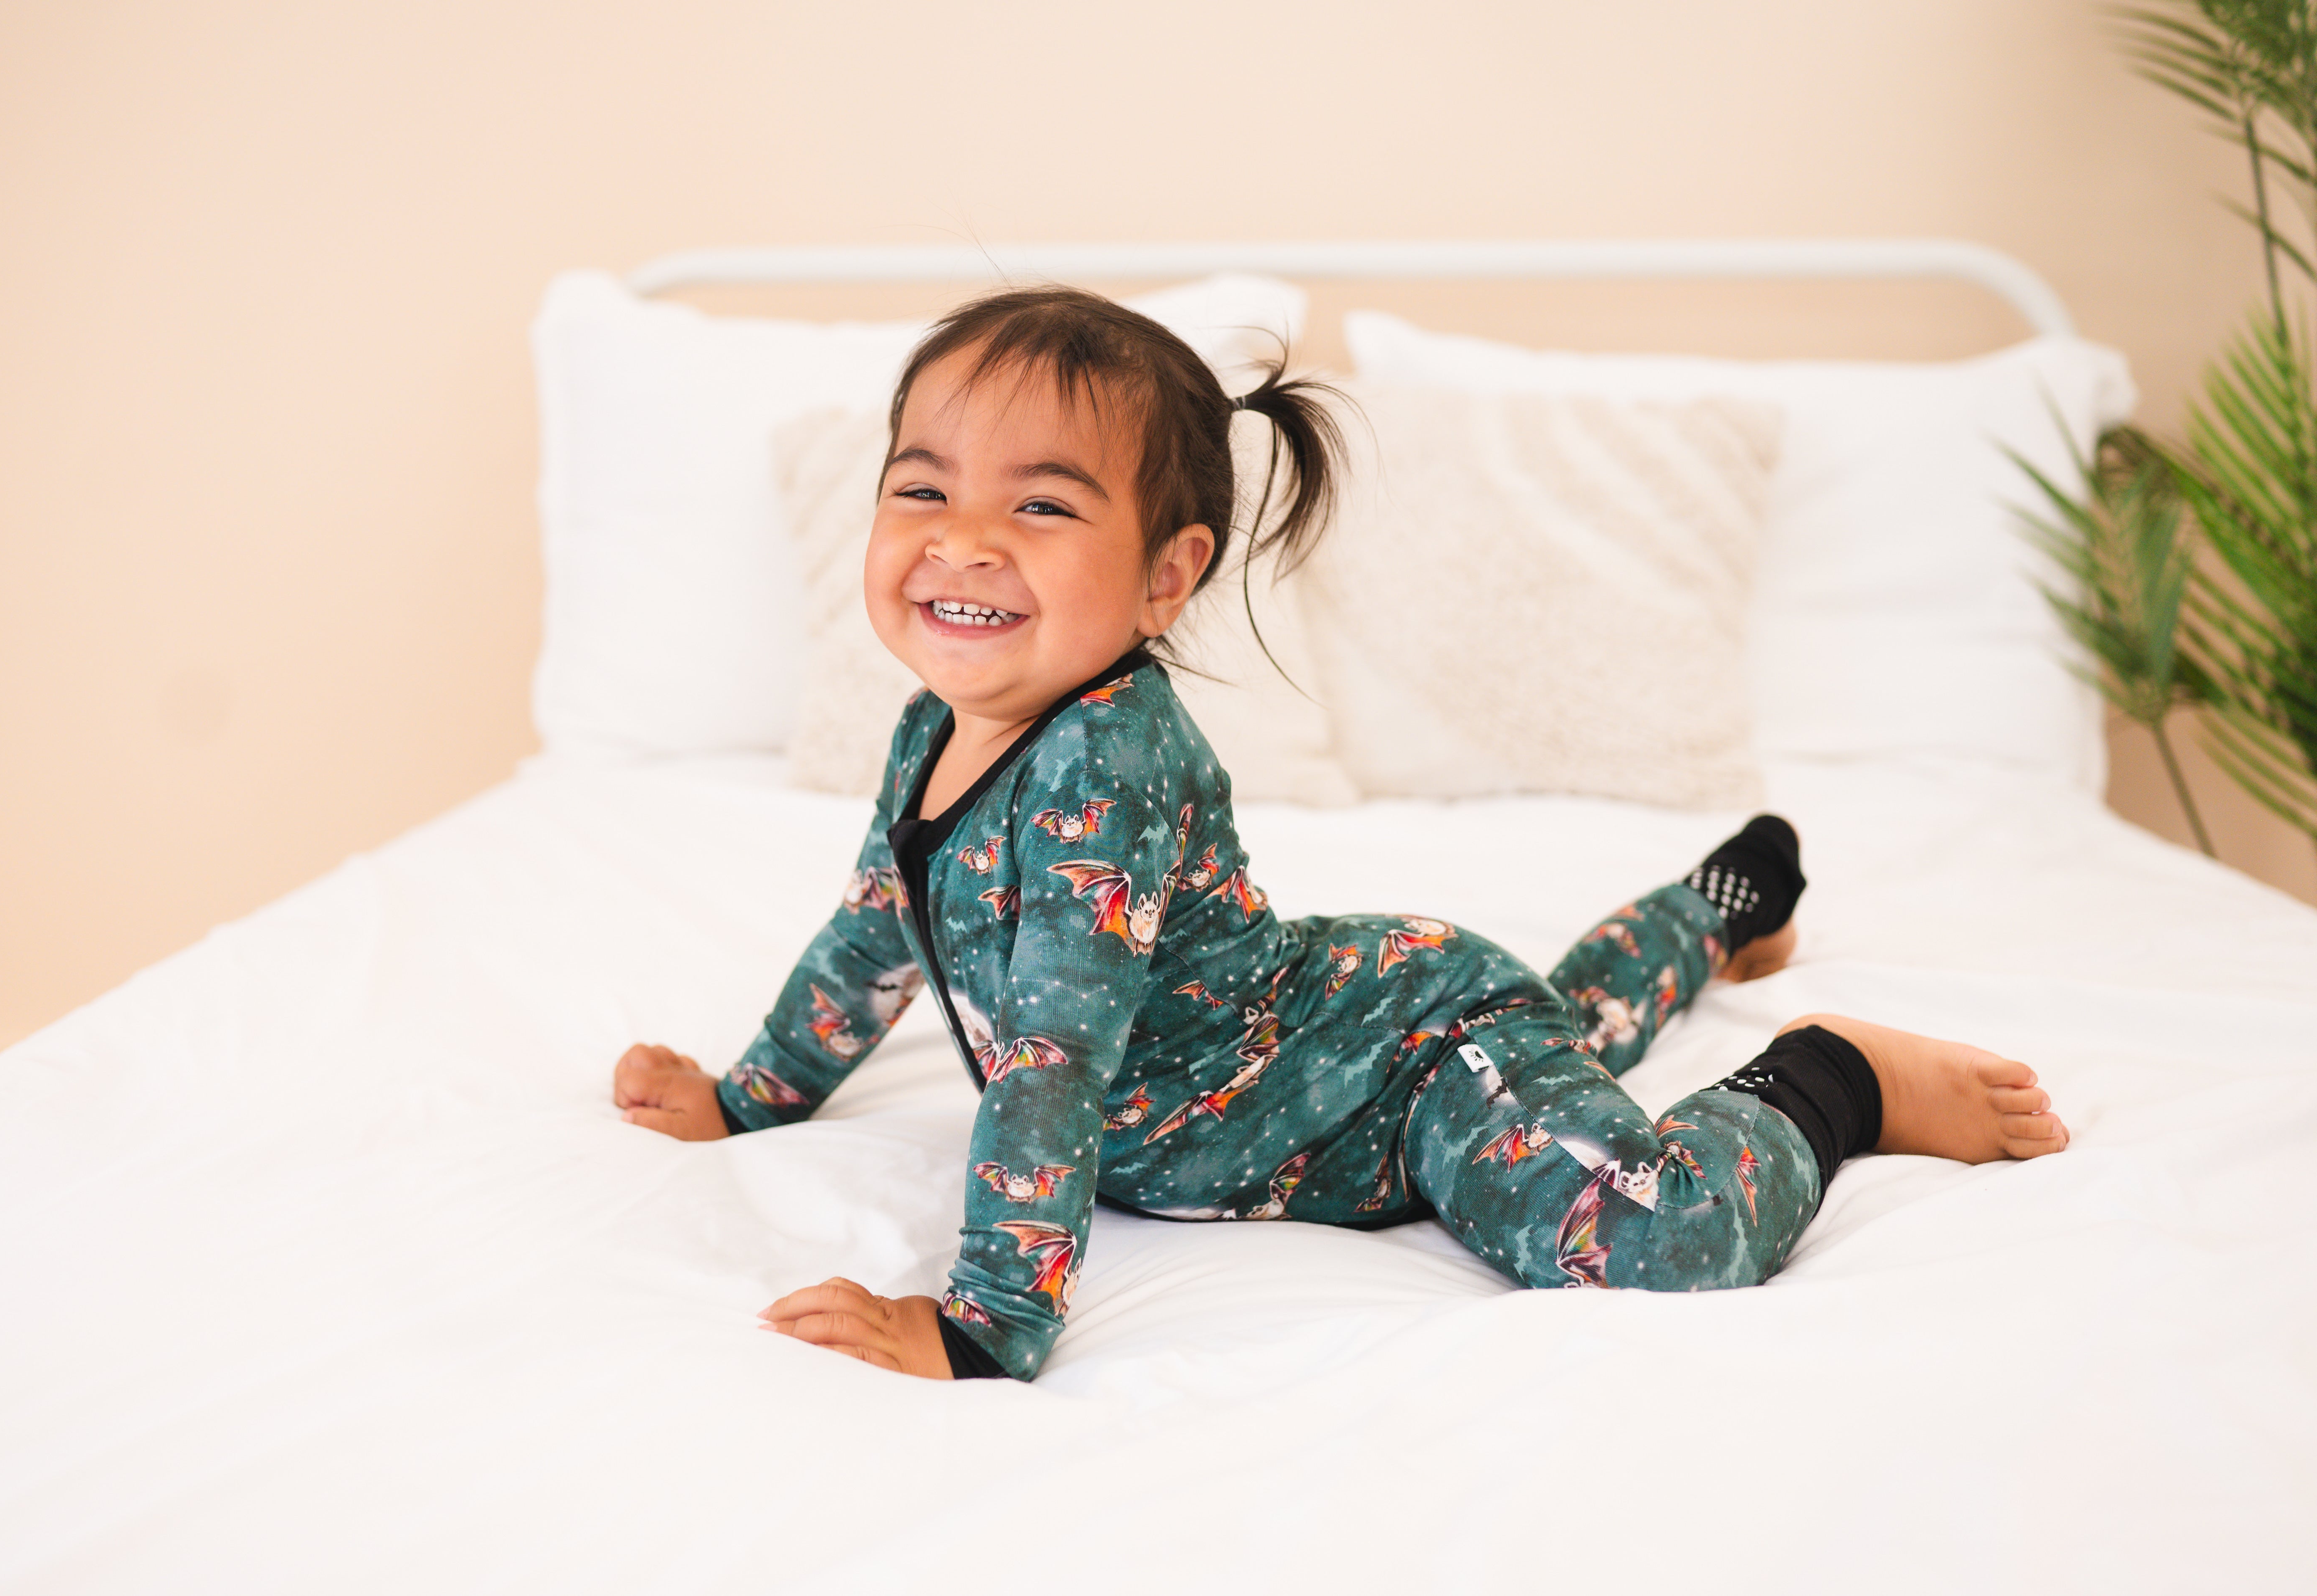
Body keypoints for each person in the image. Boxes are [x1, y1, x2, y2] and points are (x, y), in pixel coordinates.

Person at [611, 286, 2071, 1381]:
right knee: (1564, 1024)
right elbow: (881, 923)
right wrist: (755, 1097)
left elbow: (1052, 1065)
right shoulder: (938, 723)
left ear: (1166, 575)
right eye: (921, 486)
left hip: (1399, 1068)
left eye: (1041, 504)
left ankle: (1835, 1074)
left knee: (1650, 1235)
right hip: (1352, 1020)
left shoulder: (1098, 772)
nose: (963, 535)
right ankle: (1717, 904)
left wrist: (985, 1322)